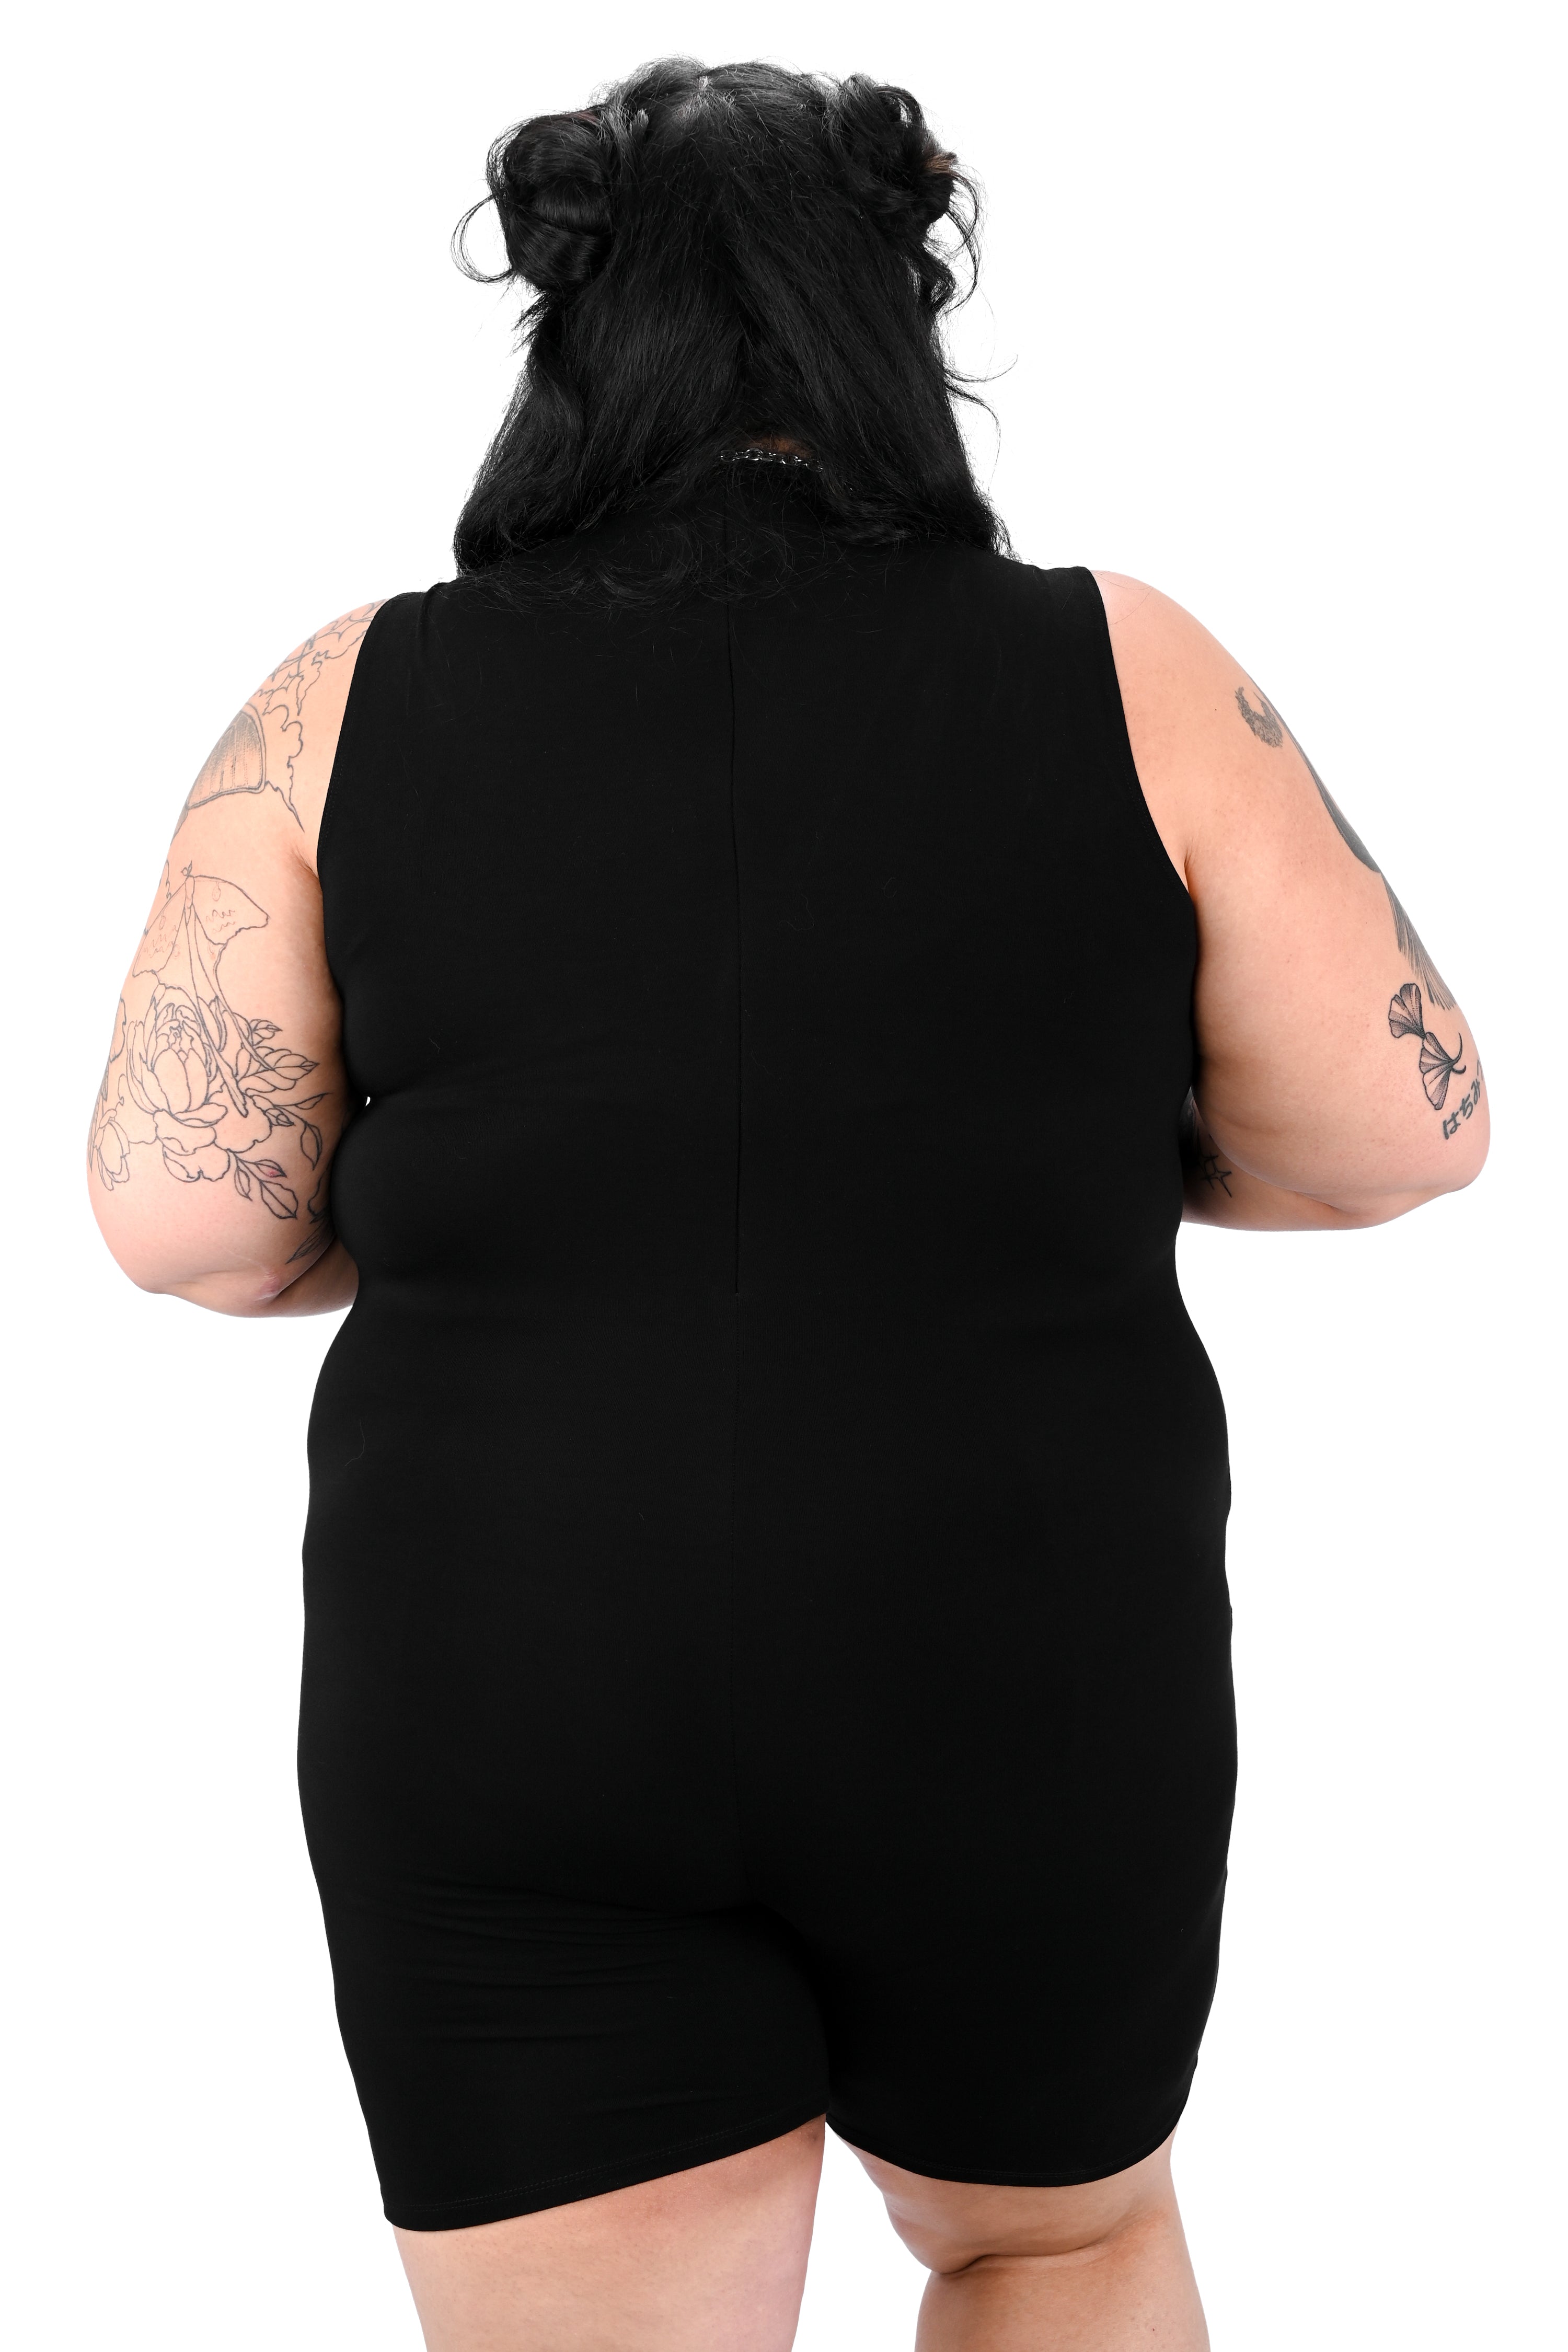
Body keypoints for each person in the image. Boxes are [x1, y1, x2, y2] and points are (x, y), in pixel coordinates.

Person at [87, 57, 1489, 2352]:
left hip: (515, 1658)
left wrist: (474, 1205)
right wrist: (1050, 1151)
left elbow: (185, 1220)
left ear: (569, 343)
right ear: (897, 330)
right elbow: (1399, 1132)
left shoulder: (343, 700)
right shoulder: (1127, 664)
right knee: (1052, 2242)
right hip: (1016, 1645)